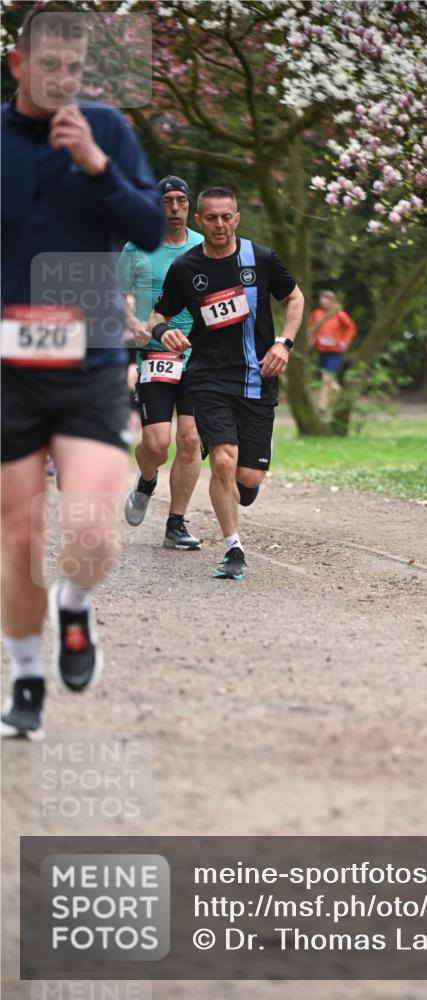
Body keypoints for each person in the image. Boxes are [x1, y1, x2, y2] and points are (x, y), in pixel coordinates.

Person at [1, 2, 163, 739]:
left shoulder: (109, 130)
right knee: (20, 537)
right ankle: (26, 676)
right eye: (50, 66)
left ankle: (75, 604)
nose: (65, 80)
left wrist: (96, 167)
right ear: (18, 65)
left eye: (75, 67)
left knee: (92, 532)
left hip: (92, 356)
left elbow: (150, 228)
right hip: (8, 367)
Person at [148, 186, 304, 580]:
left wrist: (284, 344)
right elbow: (157, 314)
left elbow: (296, 299)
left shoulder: (261, 259)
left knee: (246, 479)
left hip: (257, 376)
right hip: (209, 376)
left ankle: (243, 486)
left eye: (226, 217)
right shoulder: (186, 267)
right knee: (221, 460)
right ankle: (233, 548)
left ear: (236, 218)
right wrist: (164, 331)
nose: (219, 225)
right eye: (211, 218)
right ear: (200, 221)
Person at [120, 175, 203, 549]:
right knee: (157, 443)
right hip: (155, 352)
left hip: (200, 354)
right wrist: (135, 324)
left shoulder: (205, 245)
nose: (174, 208)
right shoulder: (137, 247)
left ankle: (176, 523)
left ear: (189, 206)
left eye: (181, 201)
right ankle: (146, 480)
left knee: (190, 439)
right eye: (167, 200)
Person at [307, 289, 357, 409]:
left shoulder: (339, 314)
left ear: (332, 301)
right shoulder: (316, 314)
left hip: (334, 353)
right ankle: (343, 397)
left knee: (326, 379)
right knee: (328, 381)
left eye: (327, 298)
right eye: (322, 298)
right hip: (321, 352)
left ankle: (321, 406)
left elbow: (351, 328)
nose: (324, 301)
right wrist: (312, 339)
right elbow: (310, 328)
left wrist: (345, 341)